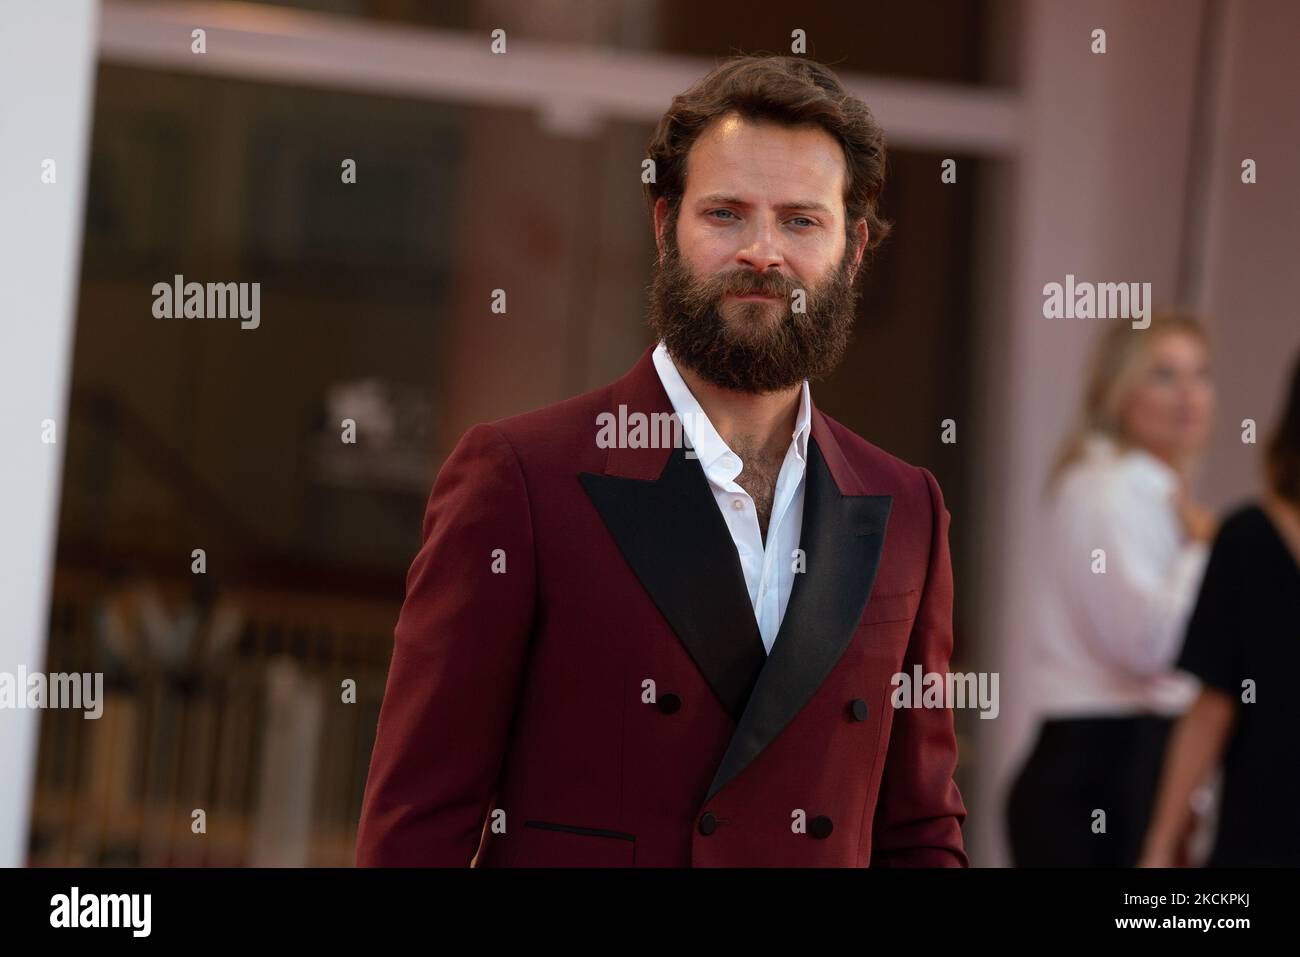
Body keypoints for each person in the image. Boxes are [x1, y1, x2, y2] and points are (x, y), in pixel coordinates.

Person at [355, 54, 968, 867]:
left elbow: (921, 829)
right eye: (725, 214)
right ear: (664, 224)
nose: (762, 252)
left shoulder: (908, 508)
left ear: (854, 248)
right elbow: (418, 823)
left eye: (800, 221)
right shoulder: (522, 479)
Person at [1006, 311, 1217, 866]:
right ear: (1117, 393)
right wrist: (1200, 550)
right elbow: (1152, 648)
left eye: (1200, 374)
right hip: (1101, 770)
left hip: (1118, 763)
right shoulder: (1111, 489)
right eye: (1164, 375)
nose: (1189, 396)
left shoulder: (1146, 490)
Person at [1139, 349, 1300, 867]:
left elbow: (1213, 706)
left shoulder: (1247, 537)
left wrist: (1162, 844)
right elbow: (1212, 705)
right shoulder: (1247, 540)